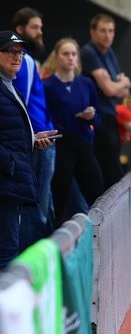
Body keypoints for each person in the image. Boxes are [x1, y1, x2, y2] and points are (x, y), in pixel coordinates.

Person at [0, 31, 58, 269]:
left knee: (9, 248)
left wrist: (32, 139)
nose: (17, 57)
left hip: (10, 182)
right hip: (5, 181)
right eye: (10, 52)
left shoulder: (11, 86)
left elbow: (9, 132)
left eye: (20, 53)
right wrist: (9, 163)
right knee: (6, 252)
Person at [41, 38, 104, 224]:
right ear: (57, 57)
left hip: (83, 143)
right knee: (59, 194)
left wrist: (90, 116)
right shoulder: (47, 86)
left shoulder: (86, 84)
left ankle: (101, 238)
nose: (70, 58)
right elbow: (42, 115)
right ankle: (54, 241)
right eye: (66, 54)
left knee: (97, 191)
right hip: (60, 145)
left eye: (74, 54)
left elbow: (99, 117)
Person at [12, 7, 56, 248]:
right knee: (37, 205)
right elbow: (23, 103)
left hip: (44, 136)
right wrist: (32, 136)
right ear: (20, 30)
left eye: (41, 27)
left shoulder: (30, 61)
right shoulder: (25, 61)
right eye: (34, 27)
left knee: (44, 203)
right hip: (39, 141)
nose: (40, 32)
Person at [80, 13, 131, 190]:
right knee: (110, 173)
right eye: (103, 31)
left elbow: (125, 89)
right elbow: (111, 88)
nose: (107, 35)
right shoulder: (89, 53)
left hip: (110, 117)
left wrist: (118, 84)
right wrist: (120, 83)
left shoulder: (109, 53)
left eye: (111, 31)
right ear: (92, 32)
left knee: (112, 170)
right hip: (98, 120)